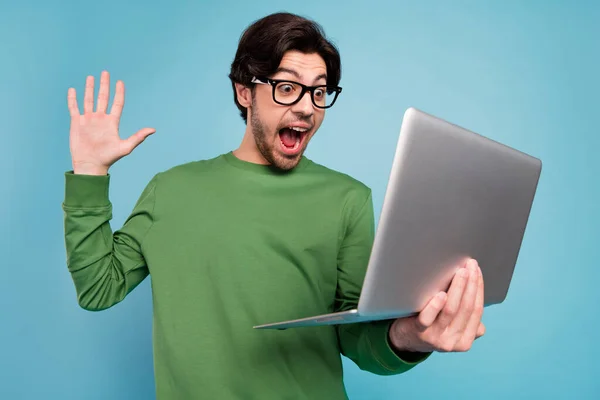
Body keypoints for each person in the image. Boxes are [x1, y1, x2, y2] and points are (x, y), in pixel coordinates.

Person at [62, 12, 485, 400]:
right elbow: (99, 288)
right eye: (287, 88)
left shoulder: (348, 199)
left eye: (319, 92)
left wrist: (414, 334)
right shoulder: (171, 189)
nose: (306, 107)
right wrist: (88, 173)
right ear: (245, 92)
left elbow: (357, 337)